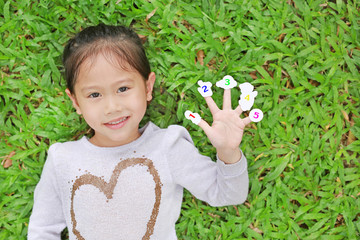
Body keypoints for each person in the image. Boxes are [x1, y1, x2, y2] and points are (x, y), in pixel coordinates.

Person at [28, 24, 251, 240]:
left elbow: (229, 194)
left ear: (147, 87)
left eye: (123, 89)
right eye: (94, 95)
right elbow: (42, 230)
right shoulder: (62, 159)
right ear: (75, 101)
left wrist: (227, 152)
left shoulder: (168, 147)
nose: (112, 107)